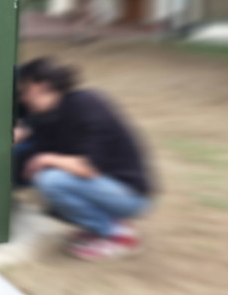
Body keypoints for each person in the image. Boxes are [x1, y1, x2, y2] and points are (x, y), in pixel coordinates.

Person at [14, 57, 153, 260]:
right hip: (105, 187)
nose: (22, 98)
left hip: (130, 194)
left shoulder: (86, 103)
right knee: (42, 174)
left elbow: (89, 167)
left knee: (51, 181)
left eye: (24, 90)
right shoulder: (51, 114)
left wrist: (46, 159)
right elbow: (33, 147)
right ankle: (104, 226)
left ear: (40, 87)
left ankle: (118, 236)